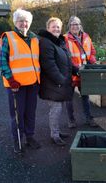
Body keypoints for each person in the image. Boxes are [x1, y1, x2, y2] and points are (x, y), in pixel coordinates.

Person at [0, 8, 41, 154]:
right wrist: (10, 80)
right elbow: (2, 60)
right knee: (17, 114)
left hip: (33, 83)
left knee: (30, 112)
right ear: (15, 22)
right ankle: (17, 140)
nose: (24, 24)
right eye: (21, 21)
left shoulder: (34, 38)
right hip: (16, 85)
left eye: (26, 21)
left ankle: (30, 137)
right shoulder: (9, 38)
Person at [38, 17, 73, 146]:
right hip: (53, 84)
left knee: (58, 109)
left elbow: (67, 62)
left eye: (58, 26)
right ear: (48, 28)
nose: (56, 28)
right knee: (55, 109)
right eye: (53, 26)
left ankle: (56, 131)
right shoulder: (46, 42)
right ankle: (54, 135)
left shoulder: (59, 42)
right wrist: (62, 80)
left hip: (59, 84)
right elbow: (49, 65)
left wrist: (76, 70)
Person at [64, 16, 98, 127]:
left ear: (80, 25)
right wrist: (75, 69)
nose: (75, 26)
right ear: (69, 26)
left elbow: (92, 51)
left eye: (77, 24)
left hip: (85, 73)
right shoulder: (65, 38)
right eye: (73, 24)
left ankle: (88, 118)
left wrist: (92, 60)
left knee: (85, 96)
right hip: (71, 73)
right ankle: (71, 120)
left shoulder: (87, 37)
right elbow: (65, 57)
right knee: (69, 98)